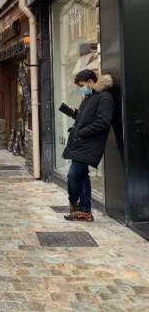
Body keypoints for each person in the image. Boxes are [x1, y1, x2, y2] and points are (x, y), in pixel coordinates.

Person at [62, 70, 114, 222]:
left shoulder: (105, 97)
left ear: (91, 81)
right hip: (80, 143)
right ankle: (85, 211)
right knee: (82, 176)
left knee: (73, 175)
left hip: (89, 144)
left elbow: (103, 121)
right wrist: (74, 113)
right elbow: (84, 118)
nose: (81, 89)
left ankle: (75, 204)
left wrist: (83, 132)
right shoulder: (90, 97)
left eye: (82, 85)